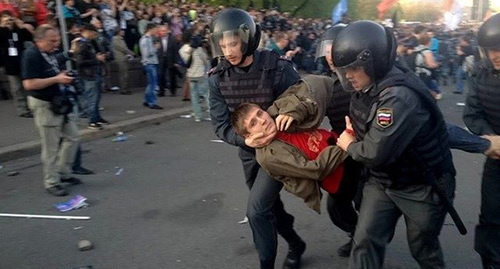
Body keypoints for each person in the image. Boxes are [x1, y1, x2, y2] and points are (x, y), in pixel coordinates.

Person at [333, 20, 457, 269]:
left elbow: (373, 152)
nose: (348, 75)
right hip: (382, 181)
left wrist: (348, 144)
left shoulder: (398, 97)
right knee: (364, 240)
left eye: (354, 68)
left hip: (420, 186)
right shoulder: (369, 84)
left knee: (423, 249)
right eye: (345, 69)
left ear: (374, 62)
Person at [208, 8, 305, 269]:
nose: (228, 50)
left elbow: (303, 100)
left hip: (282, 149)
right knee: (270, 208)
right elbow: (220, 126)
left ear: (248, 39)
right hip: (250, 154)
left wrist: (288, 116)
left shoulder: (277, 68)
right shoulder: (217, 80)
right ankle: (296, 244)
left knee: (257, 211)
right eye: (223, 44)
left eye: (234, 43)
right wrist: (245, 142)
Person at [230, 76, 348, 213]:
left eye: (260, 114)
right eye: (253, 123)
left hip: (342, 146)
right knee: (345, 211)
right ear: (249, 136)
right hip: (340, 172)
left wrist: (294, 110)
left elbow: (311, 85)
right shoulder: (270, 156)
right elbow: (316, 169)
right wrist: (343, 144)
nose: (262, 120)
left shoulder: (275, 114)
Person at [21, 24, 81, 196]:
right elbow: (29, 84)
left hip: (59, 101)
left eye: (58, 40)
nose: (56, 44)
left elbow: (56, 62)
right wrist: (57, 79)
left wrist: (65, 64)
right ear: (39, 40)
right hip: (44, 104)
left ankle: (64, 172)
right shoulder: (31, 55)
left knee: (73, 136)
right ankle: (51, 181)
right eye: (52, 41)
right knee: (51, 146)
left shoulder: (48, 53)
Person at [463, 13, 500, 268]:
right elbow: (472, 114)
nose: (496, 55)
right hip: (497, 156)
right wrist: (492, 139)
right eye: (491, 50)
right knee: (491, 217)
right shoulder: (479, 73)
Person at [0, 10, 33, 118]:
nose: (8, 21)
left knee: (27, 86)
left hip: (21, 61)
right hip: (9, 63)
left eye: (10, 18)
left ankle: (30, 107)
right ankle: (22, 109)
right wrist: (2, 27)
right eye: (5, 18)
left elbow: (28, 37)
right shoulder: (2, 31)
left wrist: (21, 26)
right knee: (17, 88)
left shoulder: (17, 30)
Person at [179, 26, 210, 122]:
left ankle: (198, 116)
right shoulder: (197, 49)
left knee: (194, 96)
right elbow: (205, 60)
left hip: (190, 74)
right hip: (200, 73)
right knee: (206, 94)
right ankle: (213, 114)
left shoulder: (181, 49)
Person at [139, 23, 162, 109]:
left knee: (150, 83)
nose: (156, 31)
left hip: (150, 63)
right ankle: (152, 102)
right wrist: (155, 48)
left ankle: (147, 100)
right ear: (150, 29)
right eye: (155, 29)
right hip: (150, 63)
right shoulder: (146, 39)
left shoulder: (148, 39)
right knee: (153, 84)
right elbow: (147, 53)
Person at [111, 28, 134, 95]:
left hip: (124, 58)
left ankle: (126, 88)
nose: (123, 32)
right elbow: (122, 48)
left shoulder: (121, 39)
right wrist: (131, 52)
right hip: (120, 58)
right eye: (121, 31)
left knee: (126, 74)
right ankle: (123, 89)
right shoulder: (115, 39)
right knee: (123, 75)